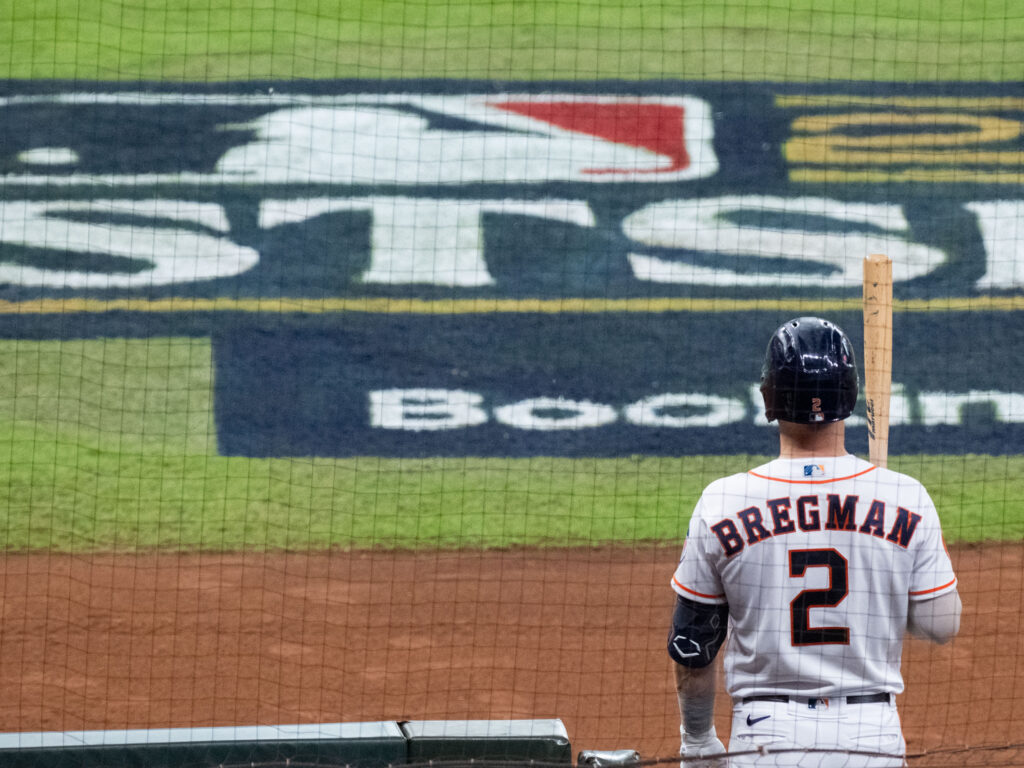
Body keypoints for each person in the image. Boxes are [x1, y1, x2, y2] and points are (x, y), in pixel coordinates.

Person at [667, 316, 962, 767]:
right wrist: (880, 592)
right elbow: (941, 624)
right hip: (871, 737)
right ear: (850, 394)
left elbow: (693, 645)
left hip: (766, 737)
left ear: (769, 396)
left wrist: (698, 739)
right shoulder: (906, 497)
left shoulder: (722, 501)